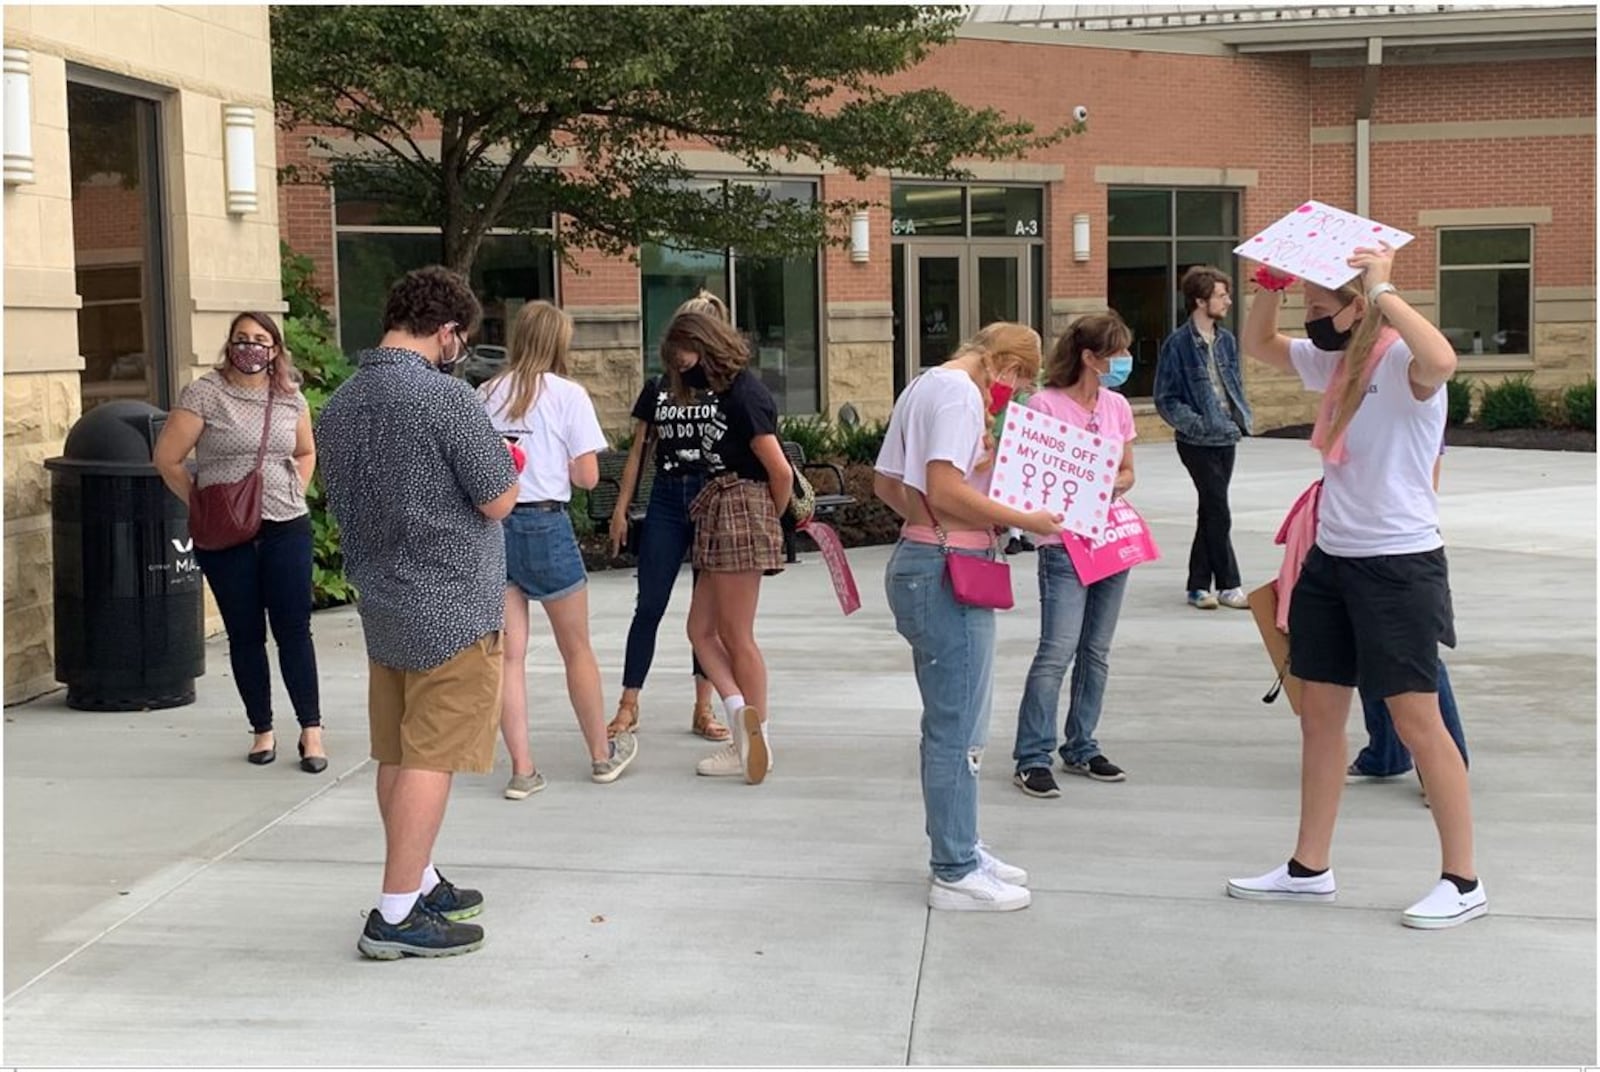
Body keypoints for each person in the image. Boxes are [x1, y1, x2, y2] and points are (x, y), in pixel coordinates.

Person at [1229, 241, 1485, 929]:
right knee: (1319, 717)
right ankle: (1308, 868)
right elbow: (1257, 342)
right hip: (1333, 559)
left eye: (1320, 306)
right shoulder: (1333, 361)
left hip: (1399, 563)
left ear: (1355, 306)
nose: (1310, 319)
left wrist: (1382, 289)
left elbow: (1444, 362)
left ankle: (1462, 881)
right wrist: (1270, 284)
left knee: (1416, 720)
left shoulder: (1401, 358)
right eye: (1305, 306)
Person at [316, 266, 519, 959]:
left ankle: (419, 877)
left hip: (384, 599)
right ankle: (397, 914)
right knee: (432, 757)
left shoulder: (340, 404)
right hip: (454, 602)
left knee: (399, 751)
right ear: (449, 331)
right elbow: (497, 499)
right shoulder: (446, 399)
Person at [875, 322, 1062, 912]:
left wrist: (933, 518)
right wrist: (1020, 518)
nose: (1015, 392)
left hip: (925, 555)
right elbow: (946, 487)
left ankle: (960, 844)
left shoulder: (924, 385)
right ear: (1003, 362)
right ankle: (954, 867)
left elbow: (887, 483)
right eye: (1021, 378)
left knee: (953, 719)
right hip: (948, 564)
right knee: (958, 726)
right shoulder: (960, 392)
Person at [479, 301, 637, 800]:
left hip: (495, 527)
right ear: (559, 343)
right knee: (577, 649)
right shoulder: (569, 395)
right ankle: (600, 754)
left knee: (510, 657)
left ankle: (523, 770)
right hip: (546, 522)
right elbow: (588, 476)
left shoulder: (485, 393)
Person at [153, 312, 324, 772]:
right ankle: (262, 729)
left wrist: (293, 489)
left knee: (293, 629)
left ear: (275, 349)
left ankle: (311, 730)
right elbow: (167, 458)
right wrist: (201, 501)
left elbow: (305, 451)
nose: (251, 348)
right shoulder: (205, 394)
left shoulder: (290, 397)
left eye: (261, 340)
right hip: (225, 533)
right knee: (246, 632)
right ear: (229, 345)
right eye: (242, 339)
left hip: (285, 525)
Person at [1012, 312, 1139, 797]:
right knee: (1057, 649)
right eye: (1117, 353)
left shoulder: (1117, 407)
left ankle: (1082, 743)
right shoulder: (1044, 406)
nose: (1125, 361)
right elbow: (1028, 477)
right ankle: (1032, 753)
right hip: (1063, 543)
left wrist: (1110, 484)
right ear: (1089, 357)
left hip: (1108, 539)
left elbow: (1128, 471)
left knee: (1096, 651)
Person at [666, 311, 791, 784]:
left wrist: (768, 519)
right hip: (723, 508)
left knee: (735, 635)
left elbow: (778, 469)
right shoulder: (724, 393)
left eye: (683, 356)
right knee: (701, 630)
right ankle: (745, 725)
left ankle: (755, 738)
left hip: (741, 506)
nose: (680, 367)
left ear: (704, 345)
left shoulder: (744, 395)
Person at [606, 290, 732, 745]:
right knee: (650, 604)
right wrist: (620, 510)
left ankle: (704, 706)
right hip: (665, 499)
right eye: (676, 344)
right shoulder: (658, 389)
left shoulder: (725, 390)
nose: (680, 355)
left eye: (690, 344)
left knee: (707, 616)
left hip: (710, 498)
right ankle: (628, 703)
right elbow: (638, 452)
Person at [1348, 446, 1468, 800]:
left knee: (1417, 660)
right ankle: (1385, 755)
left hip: (1403, 545)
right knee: (1367, 648)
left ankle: (1446, 769)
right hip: (1357, 541)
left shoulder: (1415, 398)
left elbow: (1426, 472)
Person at [1153, 265, 1252, 611]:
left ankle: (1198, 586)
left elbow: (1233, 385)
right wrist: (1197, 424)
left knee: (1210, 510)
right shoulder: (1178, 344)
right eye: (1221, 295)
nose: (1227, 301)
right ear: (1200, 300)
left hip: (1226, 436)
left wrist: (1235, 421)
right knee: (1218, 510)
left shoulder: (1226, 341)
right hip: (1196, 441)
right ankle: (1229, 584)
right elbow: (1165, 398)